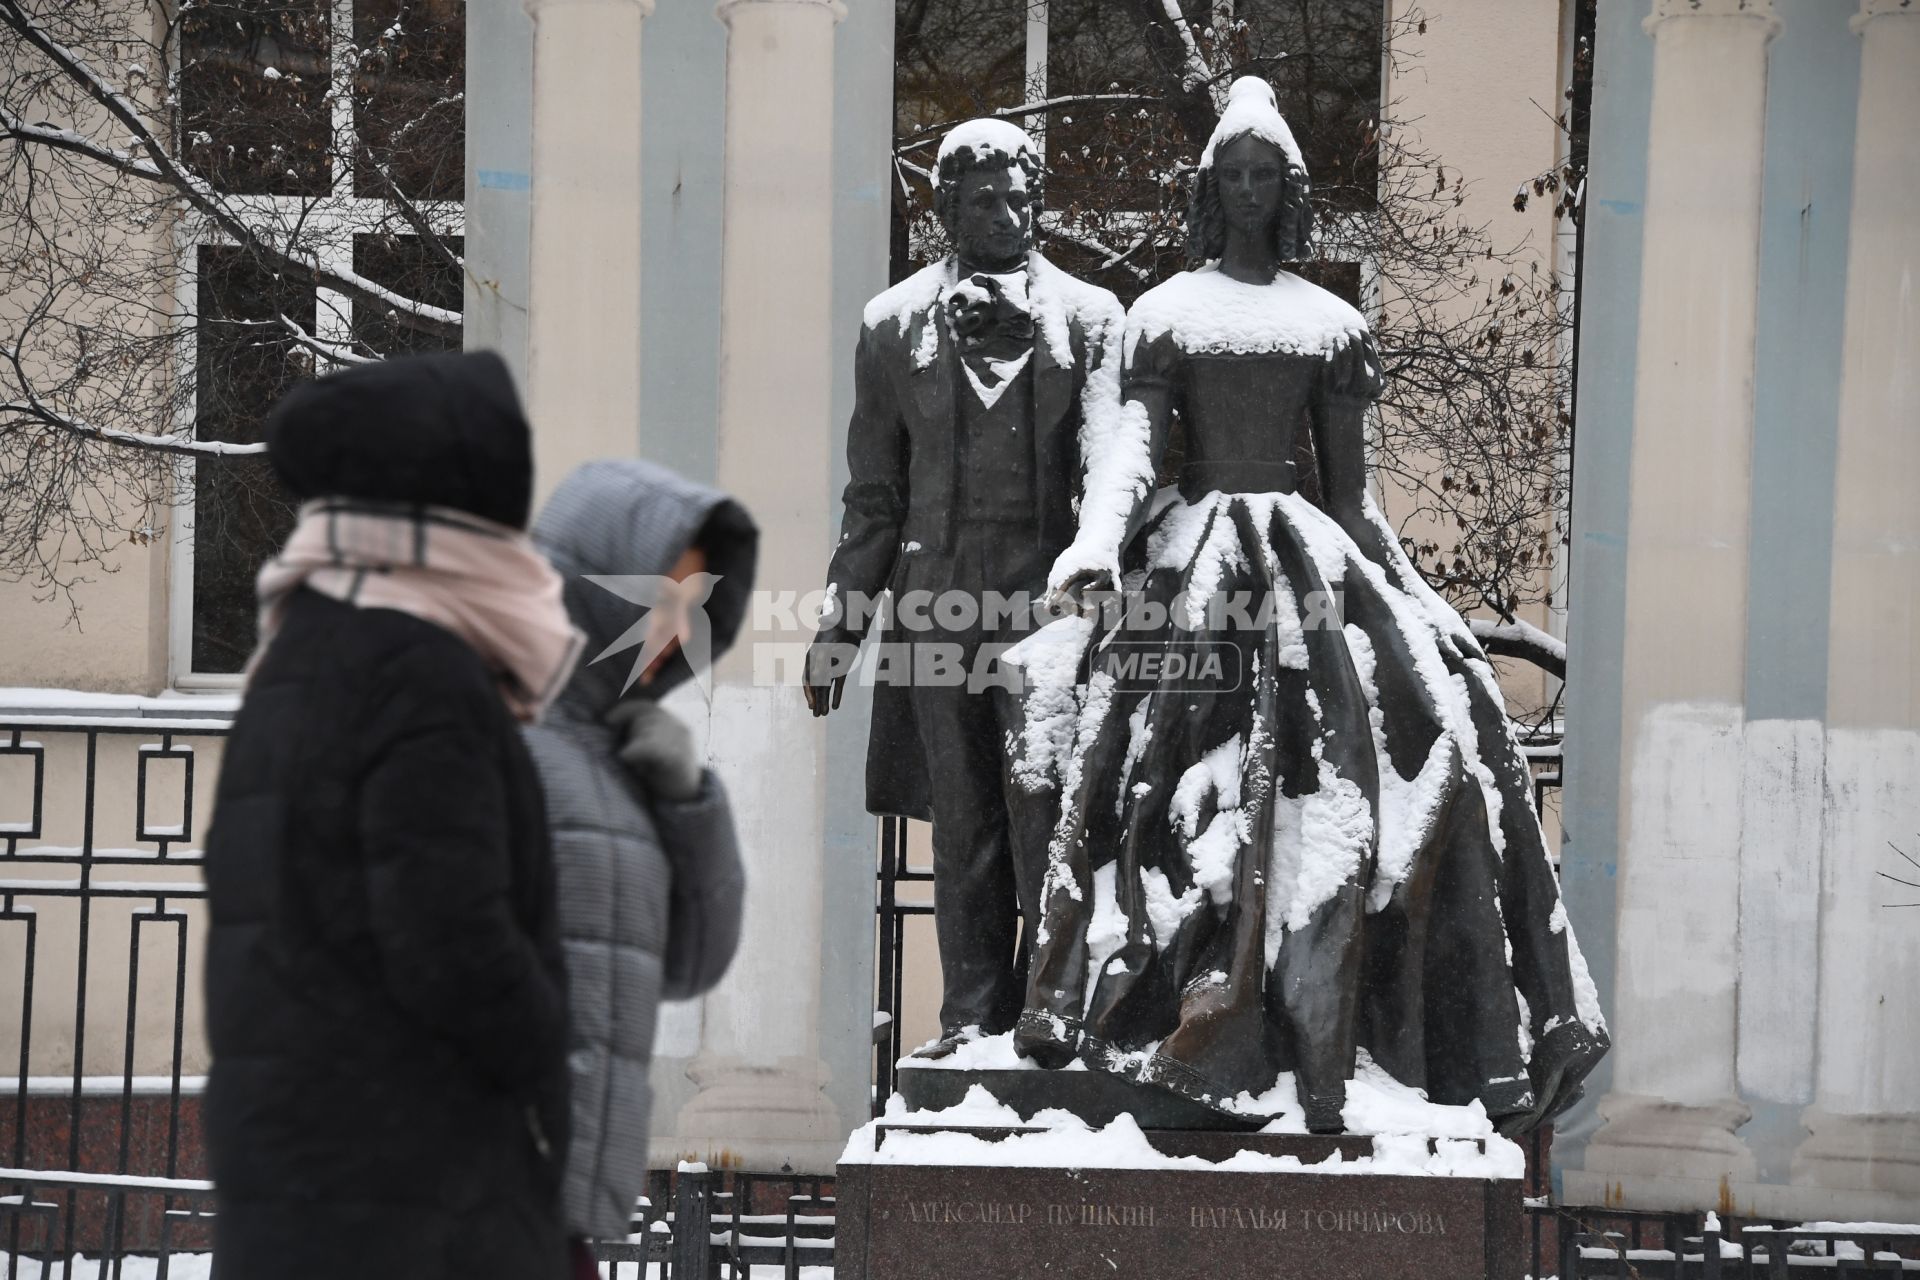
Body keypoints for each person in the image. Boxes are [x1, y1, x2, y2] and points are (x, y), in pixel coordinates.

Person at [1020, 78, 1609, 1135]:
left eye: (1264, 176)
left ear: (1285, 191)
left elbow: (1348, 497)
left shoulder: (1332, 326)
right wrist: (1100, 541)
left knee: (1412, 736)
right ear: (1213, 189)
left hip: (1310, 554)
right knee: (1141, 756)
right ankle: (1161, 979)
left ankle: (1327, 997)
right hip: (1197, 556)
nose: (1247, 192)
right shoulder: (1165, 316)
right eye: (1231, 176)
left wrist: (1420, 608)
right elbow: (1138, 451)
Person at [203, 350, 582, 1279]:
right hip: (414, 1190)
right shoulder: (417, 671)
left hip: (315, 1176)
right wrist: (544, 1056)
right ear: (452, 517)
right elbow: (450, 941)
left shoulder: (301, 655)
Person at [803, 119, 1126, 1063]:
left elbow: (1114, 464)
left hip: (1047, 606)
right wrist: (841, 622)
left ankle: (1048, 1007)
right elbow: (874, 496)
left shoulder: (1095, 318)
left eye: (1021, 196)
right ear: (946, 209)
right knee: (963, 821)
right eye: (984, 199)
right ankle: (970, 1019)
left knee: (1043, 809)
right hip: (934, 601)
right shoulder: (892, 324)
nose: (1008, 213)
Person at [522, 459, 754, 1273]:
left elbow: (687, 966)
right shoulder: (489, 733)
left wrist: (690, 804)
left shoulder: (612, 758)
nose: (674, 628)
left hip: (559, 1210)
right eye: (658, 599)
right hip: (472, 1197)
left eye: (691, 605)